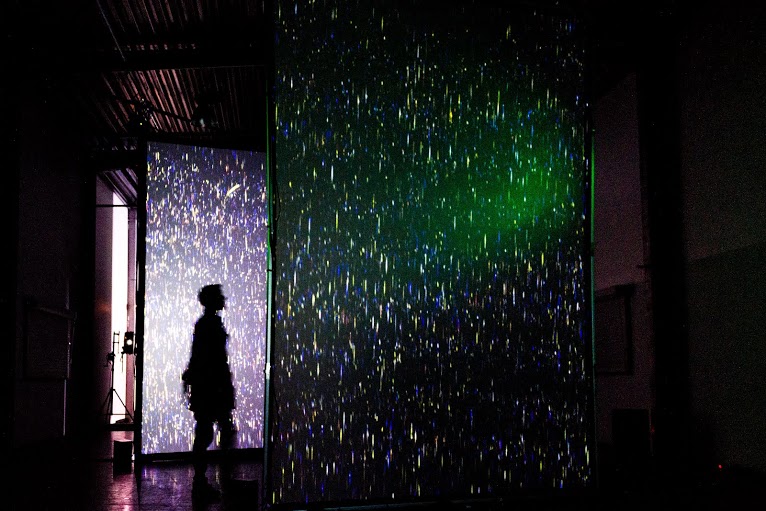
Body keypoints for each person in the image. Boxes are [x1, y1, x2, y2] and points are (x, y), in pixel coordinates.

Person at [181, 284, 236, 500]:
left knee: (207, 432)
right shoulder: (209, 325)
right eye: (220, 296)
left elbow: (199, 356)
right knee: (209, 433)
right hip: (212, 386)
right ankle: (206, 482)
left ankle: (203, 482)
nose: (224, 299)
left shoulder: (206, 324)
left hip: (208, 386)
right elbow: (210, 358)